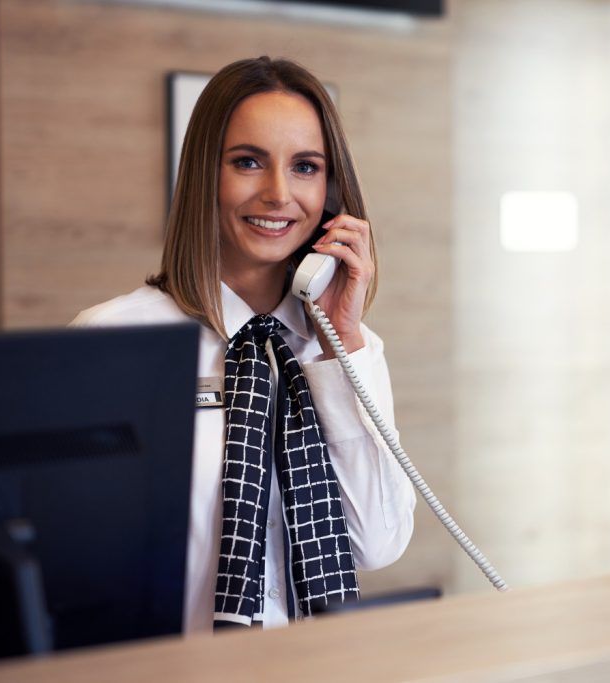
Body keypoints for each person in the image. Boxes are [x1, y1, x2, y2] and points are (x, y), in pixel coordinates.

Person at [72, 56, 415, 632]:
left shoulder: (348, 349)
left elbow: (378, 544)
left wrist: (341, 347)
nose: (279, 193)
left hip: (321, 665)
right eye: (248, 162)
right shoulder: (113, 341)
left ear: (332, 193)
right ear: (205, 175)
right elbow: (79, 561)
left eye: (305, 167)